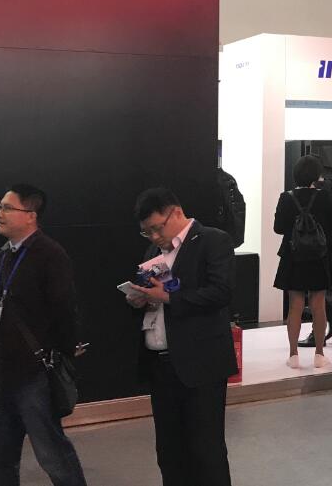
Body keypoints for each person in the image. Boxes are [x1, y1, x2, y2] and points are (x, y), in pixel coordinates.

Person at [126, 188, 236, 486]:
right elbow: (154, 294)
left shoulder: (212, 240)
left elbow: (220, 292)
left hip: (201, 364)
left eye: (157, 228)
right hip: (160, 364)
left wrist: (168, 297)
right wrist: (141, 299)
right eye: (146, 232)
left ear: (176, 212)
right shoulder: (153, 252)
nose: (153, 237)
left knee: (206, 449)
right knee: (169, 450)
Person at [0, 184, 87, 486]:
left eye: (7, 208)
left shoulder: (50, 254)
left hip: (32, 374)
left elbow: (64, 309)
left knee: (52, 452)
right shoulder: (4, 254)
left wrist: (65, 347)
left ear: (31, 215)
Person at [273, 156, 332, 369]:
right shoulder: (324, 197)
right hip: (319, 256)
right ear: (316, 175)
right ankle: (319, 354)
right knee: (318, 304)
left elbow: (278, 228)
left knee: (295, 305)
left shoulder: (286, 198)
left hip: (293, 256)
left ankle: (293, 355)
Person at [297, 176, 332, 347]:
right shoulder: (326, 186)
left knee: (313, 292)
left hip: (317, 247)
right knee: (313, 291)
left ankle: (319, 332)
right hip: (322, 246)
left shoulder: (318, 188)